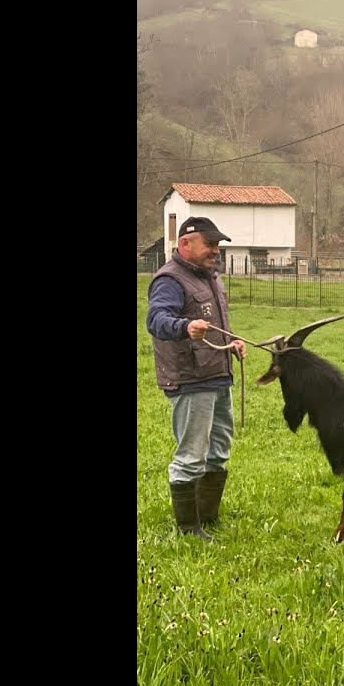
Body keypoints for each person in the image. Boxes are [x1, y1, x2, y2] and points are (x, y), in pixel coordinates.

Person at [145, 217, 247, 541]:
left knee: (218, 451)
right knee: (191, 454)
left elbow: (213, 323)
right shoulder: (169, 280)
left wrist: (231, 342)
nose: (216, 251)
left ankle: (208, 517)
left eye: (218, 246)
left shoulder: (211, 278)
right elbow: (157, 319)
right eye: (210, 245)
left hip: (217, 376)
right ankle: (189, 530)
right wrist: (184, 327)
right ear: (185, 244)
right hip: (190, 380)